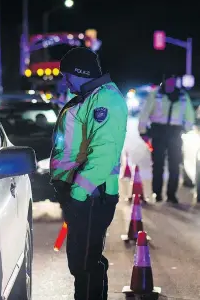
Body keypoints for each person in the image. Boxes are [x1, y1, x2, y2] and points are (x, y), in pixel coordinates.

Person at [49, 47, 128, 300]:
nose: (65, 80)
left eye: (67, 75)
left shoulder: (104, 100)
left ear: (80, 73)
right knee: (85, 259)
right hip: (84, 194)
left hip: (92, 195)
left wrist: (78, 193)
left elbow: (103, 153)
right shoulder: (88, 96)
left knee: (84, 262)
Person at [138, 75, 195, 204]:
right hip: (159, 132)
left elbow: (189, 114)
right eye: (169, 78)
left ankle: (171, 195)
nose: (171, 81)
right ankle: (157, 193)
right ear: (164, 80)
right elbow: (145, 113)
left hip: (175, 133)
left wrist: (186, 128)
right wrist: (142, 131)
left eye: (173, 79)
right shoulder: (156, 94)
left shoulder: (182, 96)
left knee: (175, 165)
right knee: (158, 164)